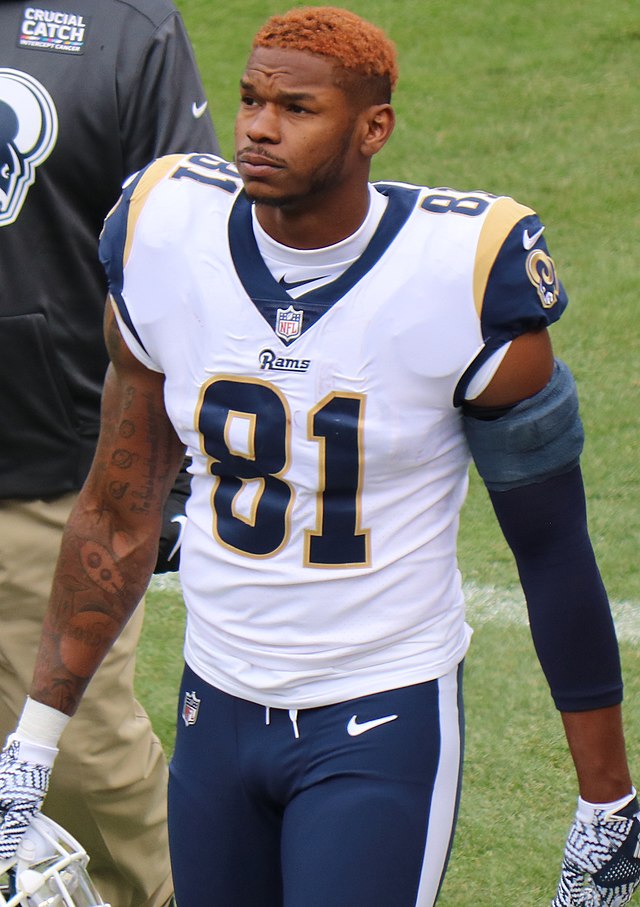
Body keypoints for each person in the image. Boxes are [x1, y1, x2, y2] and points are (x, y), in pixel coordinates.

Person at [0, 5, 638, 906]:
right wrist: (30, 743)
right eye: (252, 100)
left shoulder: (463, 271)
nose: (259, 127)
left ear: (374, 127)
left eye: (297, 108)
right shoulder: (163, 236)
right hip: (213, 702)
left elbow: (553, 550)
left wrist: (605, 800)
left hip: (380, 712)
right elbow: (119, 505)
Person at [0, 1, 219, 904]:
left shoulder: (124, 28)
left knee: (80, 757)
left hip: (48, 467)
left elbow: (192, 240)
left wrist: (180, 453)